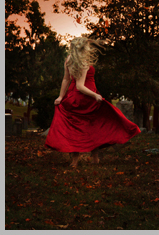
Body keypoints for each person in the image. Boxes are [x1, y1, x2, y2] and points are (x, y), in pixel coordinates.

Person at [45, 36, 140, 167]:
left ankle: (77, 161)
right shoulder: (83, 63)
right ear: (84, 48)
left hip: (72, 97)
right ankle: (94, 158)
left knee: (75, 129)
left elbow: (66, 79)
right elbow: (80, 86)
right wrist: (95, 95)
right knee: (94, 127)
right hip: (85, 98)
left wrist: (61, 97)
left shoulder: (68, 60)